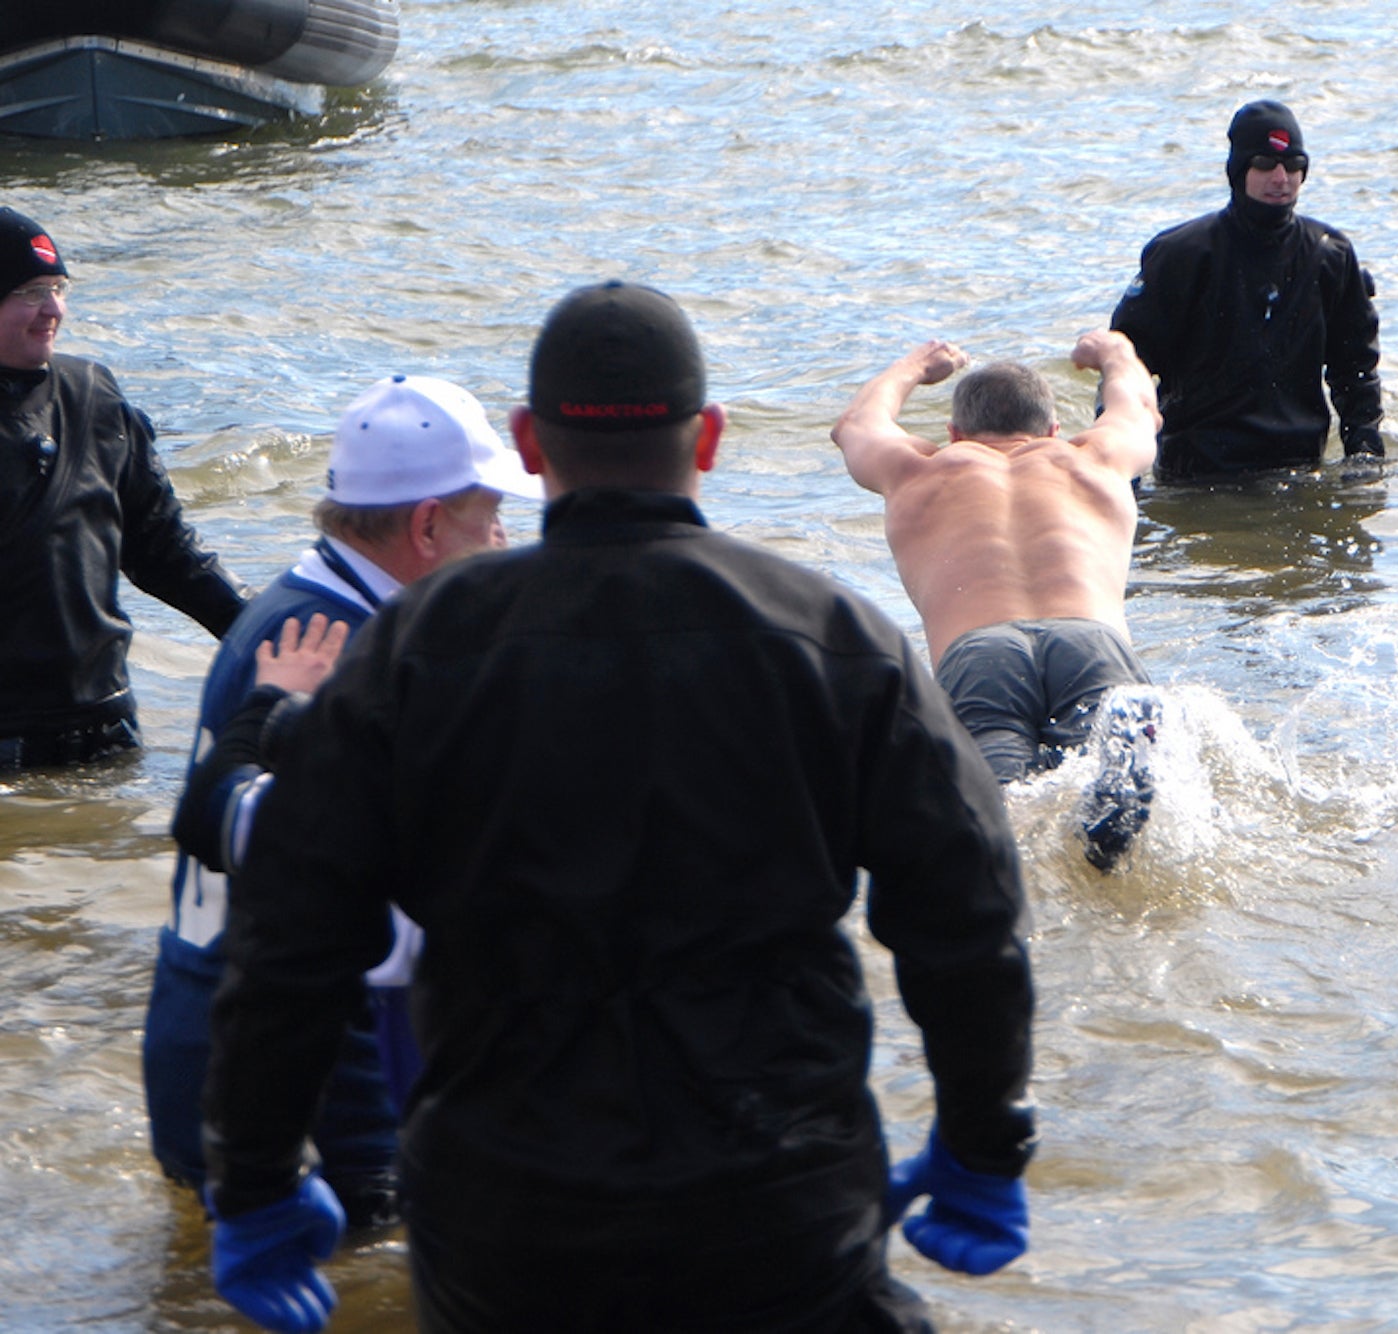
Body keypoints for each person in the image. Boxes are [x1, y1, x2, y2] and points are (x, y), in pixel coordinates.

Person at [201, 281, 1036, 1334]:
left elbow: (290, 933)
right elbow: (965, 903)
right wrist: (981, 1134)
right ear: (711, 439)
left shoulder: (415, 649)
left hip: (507, 1216)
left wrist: (256, 1179)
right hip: (776, 1194)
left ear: (529, 445)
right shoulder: (831, 636)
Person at [143, 373, 542, 1228]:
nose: (506, 539)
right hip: (298, 1094)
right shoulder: (345, 653)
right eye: (490, 515)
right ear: (428, 525)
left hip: (219, 1051)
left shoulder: (306, 615)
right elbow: (325, 938)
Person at [831, 332, 1163, 868]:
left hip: (980, 655)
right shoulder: (1095, 458)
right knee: (1115, 829)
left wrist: (916, 366)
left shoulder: (917, 471)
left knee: (1001, 831)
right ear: (1054, 430)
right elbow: (1141, 408)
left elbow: (854, 426)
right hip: (1091, 642)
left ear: (955, 433)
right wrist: (1114, 353)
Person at [0, 206, 247, 768]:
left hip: (106, 734)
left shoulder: (94, 397)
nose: (53, 310)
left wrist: (267, 626)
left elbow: (166, 551)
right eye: (30, 292)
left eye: (59, 289)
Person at [1110, 99, 1384, 481]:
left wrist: (1365, 457)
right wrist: (1122, 472)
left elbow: (1355, 367)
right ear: (1238, 170)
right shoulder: (1181, 255)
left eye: (1293, 166)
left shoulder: (1330, 254)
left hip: (1299, 470)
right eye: (1264, 165)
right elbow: (1125, 363)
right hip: (1197, 475)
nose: (1280, 177)